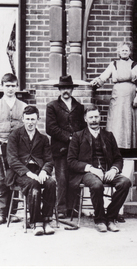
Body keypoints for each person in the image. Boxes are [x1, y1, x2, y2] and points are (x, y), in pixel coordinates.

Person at [67, 104, 132, 232]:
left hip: (107, 171)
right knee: (97, 185)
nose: (94, 120)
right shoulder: (77, 136)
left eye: (96, 117)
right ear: (85, 119)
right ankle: (100, 219)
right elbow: (71, 161)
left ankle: (111, 217)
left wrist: (114, 169)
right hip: (87, 174)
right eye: (91, 117)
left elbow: (118, 158)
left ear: (100, 117)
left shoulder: (108, 135)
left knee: (125, 182)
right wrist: (91, 168)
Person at [6, 106, 57, 236]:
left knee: (51, 183)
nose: (30, 122)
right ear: (23, 119)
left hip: (38, 170)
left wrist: (44, 171)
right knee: (33, 184)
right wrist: (29, 173)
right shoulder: (14, 136)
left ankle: (46, 219)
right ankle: (36, 222)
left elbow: (49, 160)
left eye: (33, 119)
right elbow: (12, 160)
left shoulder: (43, 138)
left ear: (37, 120)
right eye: (27, 119)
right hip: (20, 172)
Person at [0, 73, 27, 225]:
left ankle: (12, 212)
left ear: (17, 87)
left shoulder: (24, 107)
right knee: (1, 179)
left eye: (13, 86)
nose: (10, 89)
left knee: (15, 177)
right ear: (2, 86)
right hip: (0, 148)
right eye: (7, 86)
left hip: (18, 150)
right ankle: (1, 213)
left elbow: (29, 128)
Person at [90, 41, 137, 150]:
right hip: (118, 96)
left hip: (131, 97)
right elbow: (104, 76)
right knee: (117, 119)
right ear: (119, 52)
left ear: (130, 52)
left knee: (129, 120)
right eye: (122, 50)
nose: (124, 52)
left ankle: (132, 147)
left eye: (126, 50)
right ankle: (116, 146)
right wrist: (96, 81)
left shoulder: (135, 65)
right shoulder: (114, 64)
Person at [46, 75, 86, 219]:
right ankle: (61, 209)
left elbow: (83, 127)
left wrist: (77, 141)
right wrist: (69, 137)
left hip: (76, 151)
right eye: (63, 88)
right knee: (61, 178)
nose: (65, 91)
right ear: (59, 90)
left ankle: (73, 208)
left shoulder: (79, 107)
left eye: (68, 88)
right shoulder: (52, 106)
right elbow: (50, 128)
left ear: (72, 89)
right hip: (60, 149)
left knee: (75, 179)